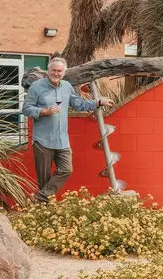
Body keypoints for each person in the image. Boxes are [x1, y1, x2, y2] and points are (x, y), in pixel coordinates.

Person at [22, 57, 115, 203]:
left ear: (64, 72)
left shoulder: (66, 86)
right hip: (42, 140)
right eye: (54, 70)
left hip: (62, 140)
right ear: (48, 70)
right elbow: (26, 109)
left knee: (66, 169)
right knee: (44, 178)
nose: (56, 73)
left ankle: (39, 199)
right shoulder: (36, 87)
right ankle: (42, 210)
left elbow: (79, 104)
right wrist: (45, 111)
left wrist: (98, 102)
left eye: (59, 71)